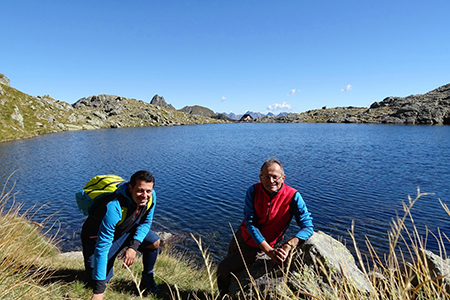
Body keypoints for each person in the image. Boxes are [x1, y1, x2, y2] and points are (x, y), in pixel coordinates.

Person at [217, 158, 314, 295]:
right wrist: (268, 250)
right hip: (242, 236)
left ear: (283, 178)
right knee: (229, 269)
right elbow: (250, 223)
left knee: (223, 268)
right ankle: (225, 295)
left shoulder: (293, 196)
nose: (271, 181)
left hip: (260, 247)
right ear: (260, 177)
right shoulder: (253, 191)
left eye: (275, 177)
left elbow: (308, 227)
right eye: (267, 176)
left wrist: (288, 245)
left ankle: (224, 296)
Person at [81, 170, 160, 300]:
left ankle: (147, 279)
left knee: (154, 242)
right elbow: (102, 247)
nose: (144, 195)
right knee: (95, 283)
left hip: (124, 230)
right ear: (130, 188)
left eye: (148, 191)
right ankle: (100, 279)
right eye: (140, 190)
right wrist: (99, 292)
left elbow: (145, 223)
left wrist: (133, 246)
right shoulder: (114, 207)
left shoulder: (151, 197)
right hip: (96, 238)